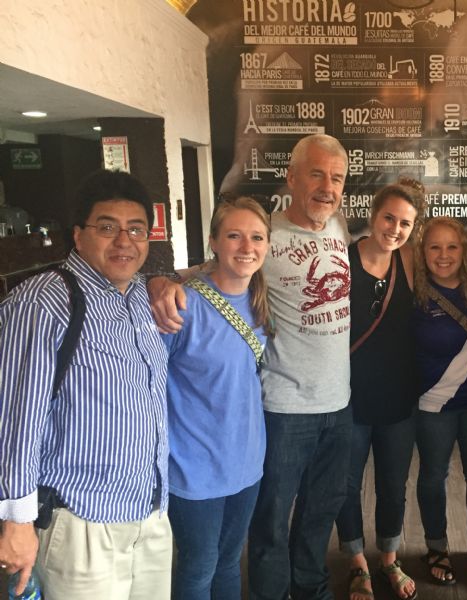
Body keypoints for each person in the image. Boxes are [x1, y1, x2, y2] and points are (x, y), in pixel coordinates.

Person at [149, 133, 352, 600]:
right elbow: (209, 271)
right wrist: (158, 280)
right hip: (282, 408)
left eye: (337, 178)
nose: (327, 187)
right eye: (316, 174)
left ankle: (311, 589)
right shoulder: (265, 233)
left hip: (337, 404)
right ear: (291, 178)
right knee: (269, 527)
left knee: (319, 514)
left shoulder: (339, 228)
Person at [0, 169, 171, 599]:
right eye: (107, 228)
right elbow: (17, 419)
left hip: (149, 512)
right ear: (78, 235)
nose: (124, 241)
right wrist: (16, 521)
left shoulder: (139, 297)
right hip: (81, 522)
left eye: (136, 229)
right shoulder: (44, 302)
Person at [162, 197, 271, 599]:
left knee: (228, 562)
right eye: (234, 236)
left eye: (257, 237)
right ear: (213, 242)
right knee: (199, 566)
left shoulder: (260, 300)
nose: (247, 247)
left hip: (246, 461)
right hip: (193, 467)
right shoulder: (182, 305)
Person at [336, 179, 425, 600]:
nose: (395, 229)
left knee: (393, 483)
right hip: (348, 397)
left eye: (405, 223)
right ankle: (357, 561)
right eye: (389, 218)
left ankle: (389, 558)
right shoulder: (342, 258)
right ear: (372, 216)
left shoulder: (410, 260)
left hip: (399, 396)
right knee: (346, 484)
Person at [412, 217, 467, 586]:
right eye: (435, 246)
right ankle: (436, 547)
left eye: (452, 246)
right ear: (422, 252)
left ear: (464, 250)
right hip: (434, 404)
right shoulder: (414, 294)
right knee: (433, 477)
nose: (443, 255)